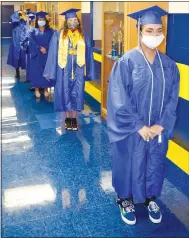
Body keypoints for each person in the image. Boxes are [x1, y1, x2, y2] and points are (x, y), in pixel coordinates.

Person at [107, 6, 180, 225]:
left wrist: (161, 125)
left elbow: (172, 100)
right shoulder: (126, 62)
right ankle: (125, 199)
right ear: (140, 31)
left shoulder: (168, 65)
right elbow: (118, 99)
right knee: (128, 160)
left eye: (158, 30)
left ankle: (150, 198)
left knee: (154, 162)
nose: (155, 35)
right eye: (149, 30)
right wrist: (138, 125)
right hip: (132, 129)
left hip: (157, 129)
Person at [43, 9, 96, 131]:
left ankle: (74, 118)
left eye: (75, 20)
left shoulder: (83, 36)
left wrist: (89, 71)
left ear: (78, 21)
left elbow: (88, 54)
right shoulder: (58, 35)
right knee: (64, 93)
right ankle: (67, 118)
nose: (73, 22)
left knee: (77, 93)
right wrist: (51, 71)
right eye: (70, 20)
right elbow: (53, 54)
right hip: (64, 70)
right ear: (66, 22)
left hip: (78, 69)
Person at [29, 11, 55, 98]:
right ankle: (36, 89)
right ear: (37, 21)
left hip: (47, 55)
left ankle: (45, 89)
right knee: (36, 72)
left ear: (45, 20)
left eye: (43, 19)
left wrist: (46, 49)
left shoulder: (50, 31)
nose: (41, 21)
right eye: (39, 19)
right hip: (37, 55)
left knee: (46, 71)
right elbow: (31, 42)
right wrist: (40, 48)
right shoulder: (33, 31)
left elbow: (53, 41)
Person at [7, 10, 27, 79]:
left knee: (25, 57)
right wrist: (18, 13)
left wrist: (24, 17)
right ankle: (17, 72)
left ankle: (27, 73)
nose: (20, 16)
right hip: (16, 42)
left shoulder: (24, 22)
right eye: (19, 14)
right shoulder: (14, 23)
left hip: (24, 42)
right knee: (16, 57)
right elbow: (13, 18)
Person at [20, 13, 36, 83]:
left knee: (34, 65)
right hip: (28, 49)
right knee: (28, 64)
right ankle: (28, 77)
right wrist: (25, 43)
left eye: (32, 21)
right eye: (30, 21)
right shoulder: (25, 27)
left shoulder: (36, 28)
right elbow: (22, 37)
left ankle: (34, 78)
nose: (31, 22)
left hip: (35, 50)